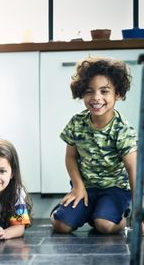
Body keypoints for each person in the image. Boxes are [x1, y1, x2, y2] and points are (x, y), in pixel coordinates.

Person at [50, 57, 140, 234]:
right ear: (82, 93)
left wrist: (140, 212)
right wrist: (78, 186)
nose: (96, 97)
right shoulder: (77, 123)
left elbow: (134, 171)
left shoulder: (123, 130)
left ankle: (117, 216)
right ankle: (89, 210)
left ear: (118, 94)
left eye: (104, 91)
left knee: (104, 225)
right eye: (90, 91)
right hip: (86, 187)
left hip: (115, 189)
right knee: (60, 225)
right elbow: (70, 157)